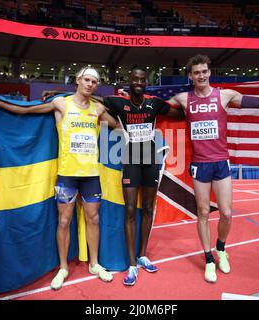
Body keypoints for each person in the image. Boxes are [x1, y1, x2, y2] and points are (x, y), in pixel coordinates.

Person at [167, 54, 259, 283]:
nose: (201, 75)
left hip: (220, 162)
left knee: (226, 212)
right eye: (196, 72)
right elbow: (155, 107)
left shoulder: (225, 96)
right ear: (190, 76)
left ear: (209, 72)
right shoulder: (183, 99)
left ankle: (221, 248)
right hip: (199, 165)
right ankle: (208, 259)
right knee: (203, 213)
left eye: (204, 71)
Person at [0, 67, 119, 290]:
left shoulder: (98, 109)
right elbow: (26, 111)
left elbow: (118, 125)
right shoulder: (61, 104)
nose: (90, 84)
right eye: (87, 80)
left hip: (91, 175)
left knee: (93, 219)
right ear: (78, 80)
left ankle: (94, 263)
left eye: (94, 81)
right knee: (64, 221)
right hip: (67, 176)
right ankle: (63, 267)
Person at [101, 66, 182, 286]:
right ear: (129, 81)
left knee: (147, 209)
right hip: (130, 161)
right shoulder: (118, 103)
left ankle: (143, 254)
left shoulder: (154, 104)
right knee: (129, 211)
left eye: (142, 80)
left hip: (150, 160)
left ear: (146, 82)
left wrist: (190, 100)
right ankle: (131, 265)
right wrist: (58, 95)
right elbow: (91, 101)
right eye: (135, 79)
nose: (139, 82)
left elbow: (181, 113)